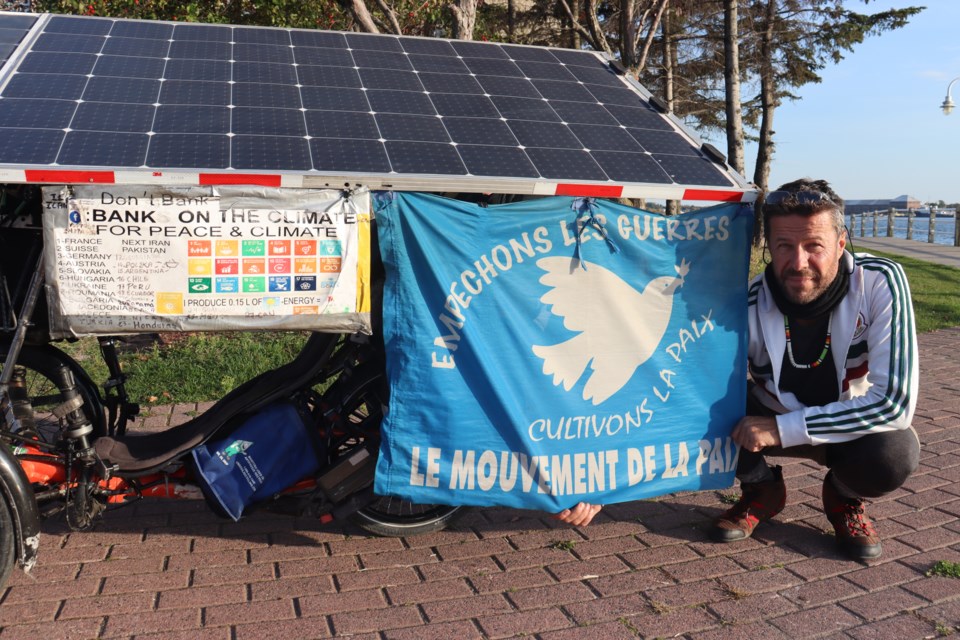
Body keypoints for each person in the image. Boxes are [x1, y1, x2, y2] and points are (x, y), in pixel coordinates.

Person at [558, 178, 920, 561]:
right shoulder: (744, 304)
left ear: (840, 243)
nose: (798, 262)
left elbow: (894, 403)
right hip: (766, 418)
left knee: (895, 451)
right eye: (784, 246)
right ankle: (761, 487)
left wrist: (782, 430)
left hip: (847, 428)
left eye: (814, 246)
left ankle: (844, 497)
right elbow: (668, 389)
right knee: (702, 402)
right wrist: (602, 482)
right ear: (768, 247)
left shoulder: (880, 283)